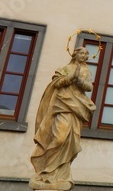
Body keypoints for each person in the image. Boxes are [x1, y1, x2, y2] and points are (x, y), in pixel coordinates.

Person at [29, 47, 96, 191]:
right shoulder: (65, 68)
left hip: (77, 109)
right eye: (82, 53)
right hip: (62, 106)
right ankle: (47, 171)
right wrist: (71, 77)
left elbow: (89, 87)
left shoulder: (86, 71)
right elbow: (56, 84)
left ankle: (60, 175)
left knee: (70, 142)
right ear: (75, 54)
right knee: (59, 138)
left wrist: (79, 79)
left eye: (87, 54)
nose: (84, 56)